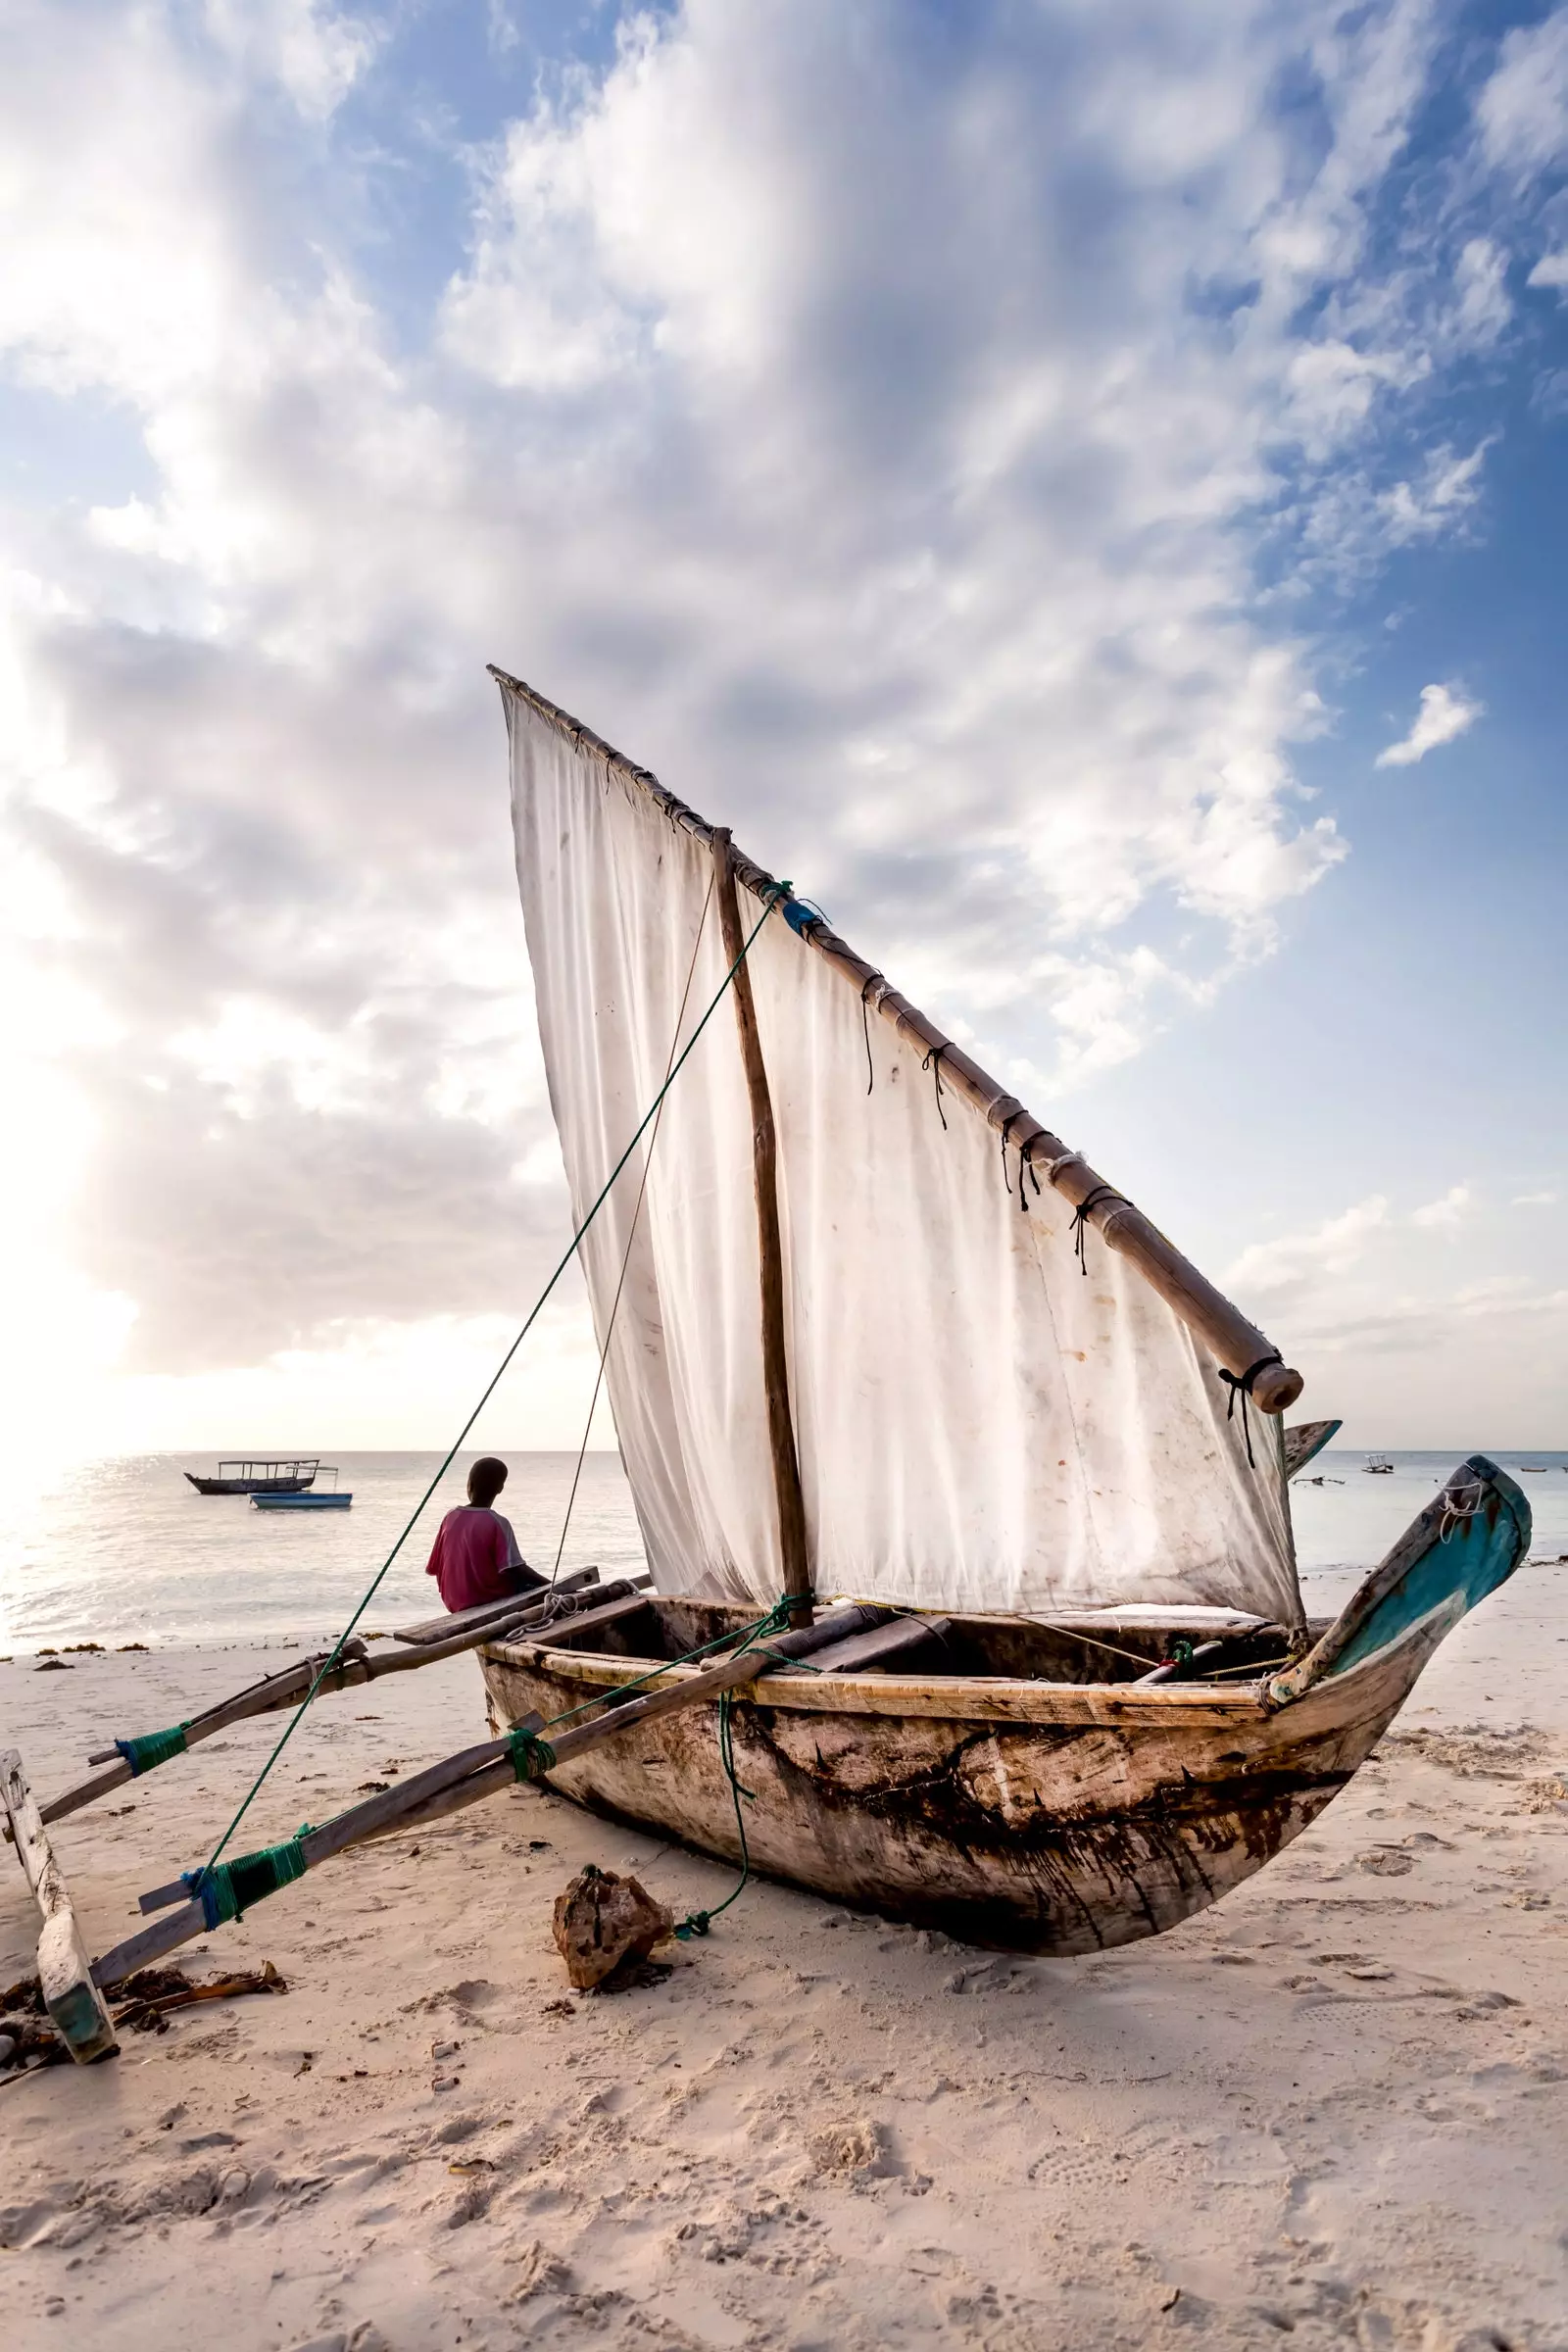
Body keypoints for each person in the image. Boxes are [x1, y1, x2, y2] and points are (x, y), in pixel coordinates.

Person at [425, 1457, 546, 1614]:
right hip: (488, 1601)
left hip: (453, 1602)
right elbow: (514, 1569)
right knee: (533, 1588)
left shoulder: (450, 1517)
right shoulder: (497, 1522)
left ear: (469, 1485)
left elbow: (435, 1567)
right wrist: (553, 1585)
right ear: (500, 1488)